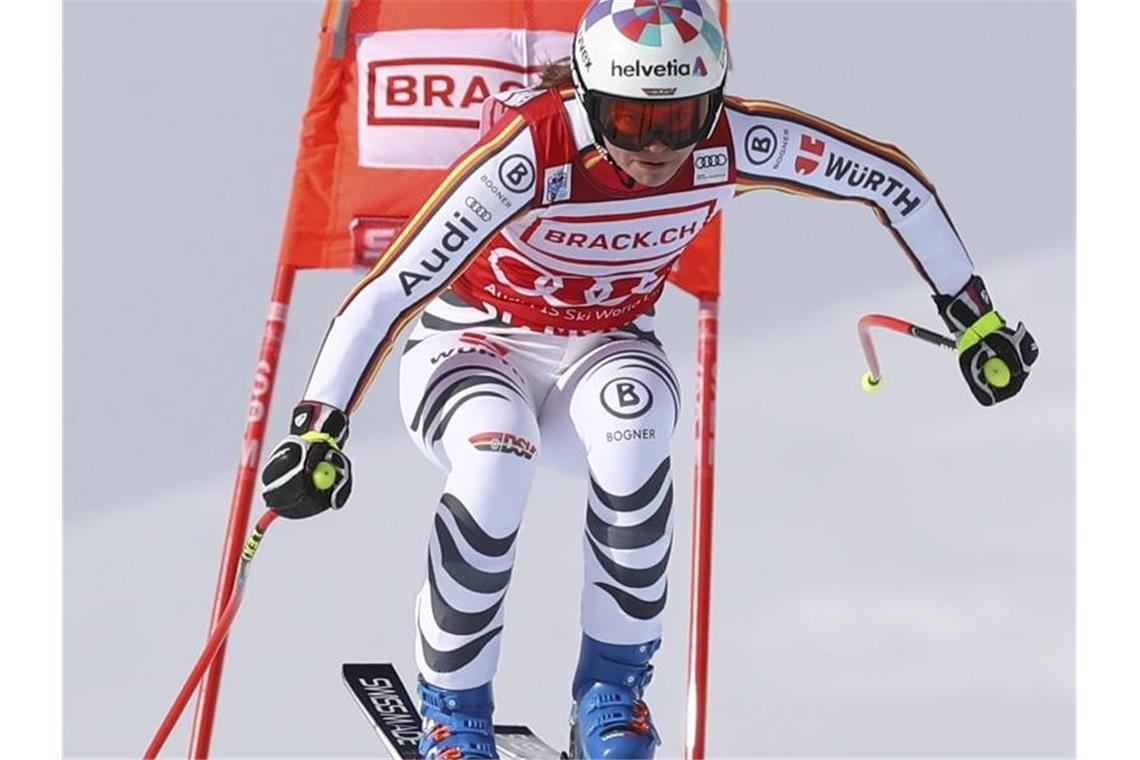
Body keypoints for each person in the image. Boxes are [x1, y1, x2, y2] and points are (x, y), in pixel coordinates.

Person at [259, 0, 1039, 757]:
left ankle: (612, 694)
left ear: (715, 99)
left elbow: (889, 178)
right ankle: (452, 712)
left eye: (682, 116)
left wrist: (975, 317)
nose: (657, 146)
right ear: (590, 97)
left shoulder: (737, 141)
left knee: (635, 448)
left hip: (603, 346)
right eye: (633, 119)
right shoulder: (534, 150)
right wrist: (318, 424)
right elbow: (395, 286)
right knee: (496, 463)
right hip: (472, 345)